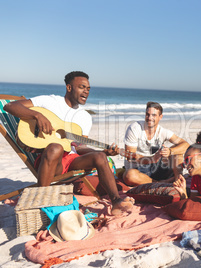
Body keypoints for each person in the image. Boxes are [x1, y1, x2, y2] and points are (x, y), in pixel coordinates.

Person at [4, 71, 134, 216]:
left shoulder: (84, 117)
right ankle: (41, 201)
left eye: (88, 88)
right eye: (82, 87)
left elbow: (79, 147)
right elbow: (10, 107)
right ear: (69, 87)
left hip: (72, 161)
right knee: (56, 147)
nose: (86, 91)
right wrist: (37, 115)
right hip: (51, 161)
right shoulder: (49, 101)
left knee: (99, 157)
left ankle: (116, 202)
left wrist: (103, 152)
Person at [123, 101, 189, 186]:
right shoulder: (134, 128)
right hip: (138, 170)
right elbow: (130, 157)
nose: (150, 118)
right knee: (129, 176)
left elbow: (185, 144)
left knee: (177, 153)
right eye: (147, 114)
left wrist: (170, 151)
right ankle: (160, 183)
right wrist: (152, 159)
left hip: (157, 168)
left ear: (160, 117)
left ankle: (178, 181)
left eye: (154, 115)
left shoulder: (163, 132)